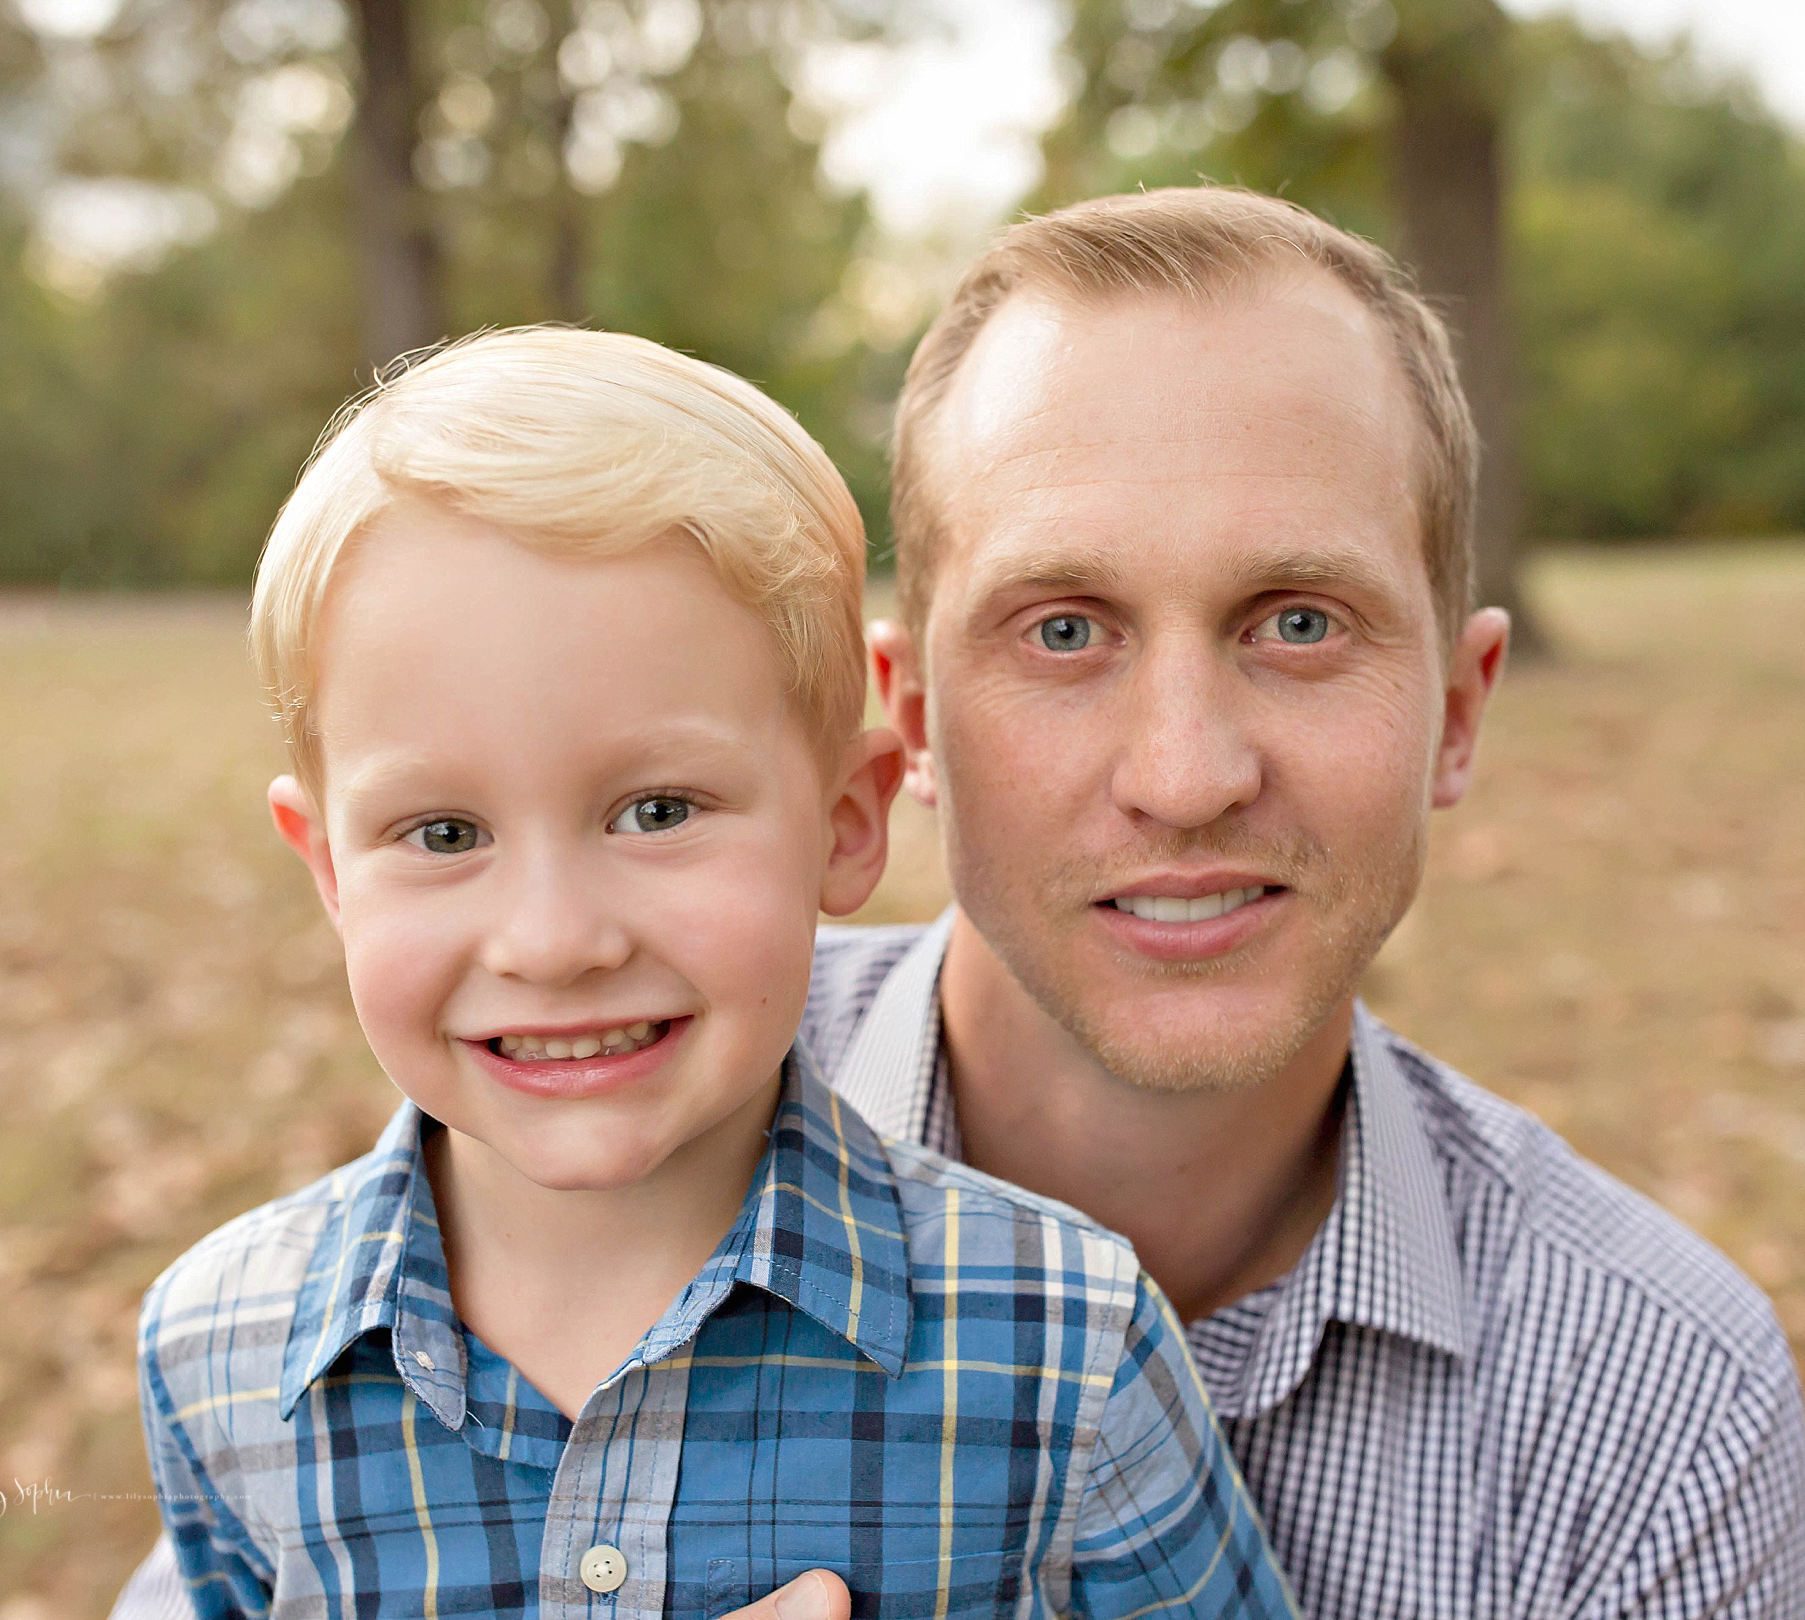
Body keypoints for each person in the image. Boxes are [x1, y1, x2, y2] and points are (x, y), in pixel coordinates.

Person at [118, 187, 1805, 1619]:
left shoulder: (1655, 1410)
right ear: (909, 727)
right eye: (1063, 629)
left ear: (1454, 714)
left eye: (1298, 622)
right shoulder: (567, 1103)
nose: (1184, 773)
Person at [129, 325, 1294, 1620]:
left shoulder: (1060, 1348)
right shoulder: (219, 1356)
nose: (554, 940)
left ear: (847, 824)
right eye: (442, 835)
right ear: (329, 870)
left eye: (658, 812)